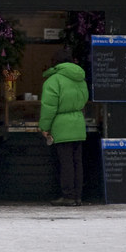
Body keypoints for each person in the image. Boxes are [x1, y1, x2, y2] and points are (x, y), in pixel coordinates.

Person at [39, 47, 89, 206]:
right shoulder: (80, 78)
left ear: (55, 63)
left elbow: (49, 107)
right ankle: (78, 196)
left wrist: (44, 127)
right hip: (78, 122)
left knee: (66, 162)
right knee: (77, 162)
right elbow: (85, 99)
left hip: (61, 125)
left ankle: (68, 196)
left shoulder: (53, 80)